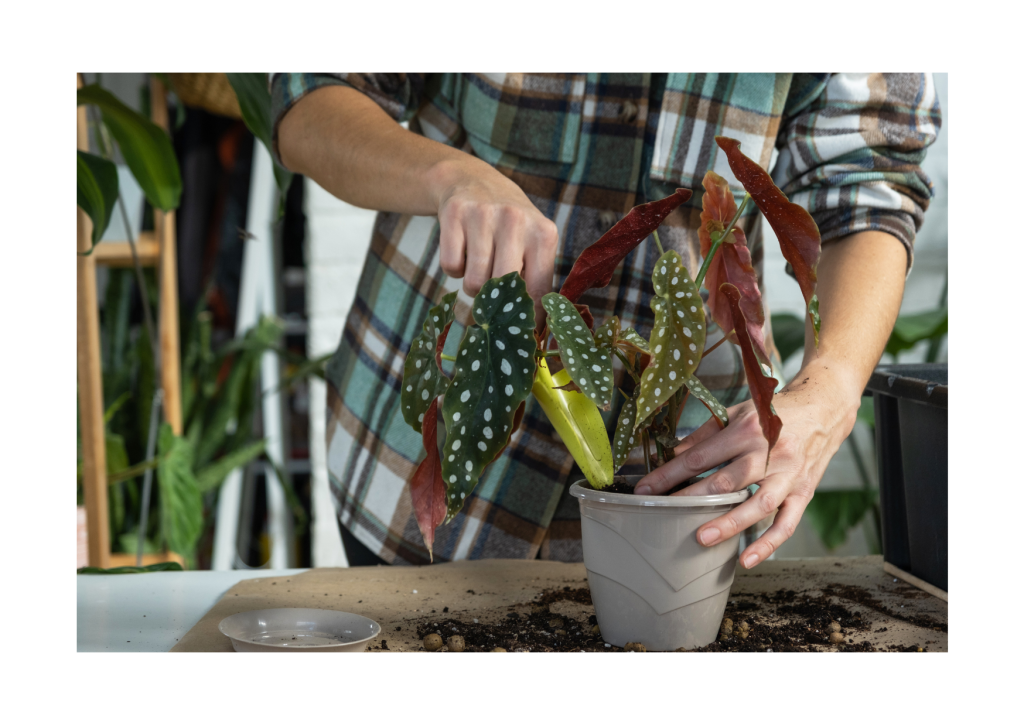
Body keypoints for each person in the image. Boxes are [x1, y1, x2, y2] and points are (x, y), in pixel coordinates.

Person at [272, 73, 940, 567]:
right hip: (419, 473)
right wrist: (448, 175)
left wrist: (832, 383)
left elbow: (870, 178)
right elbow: (310, 93)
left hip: (679, 503)